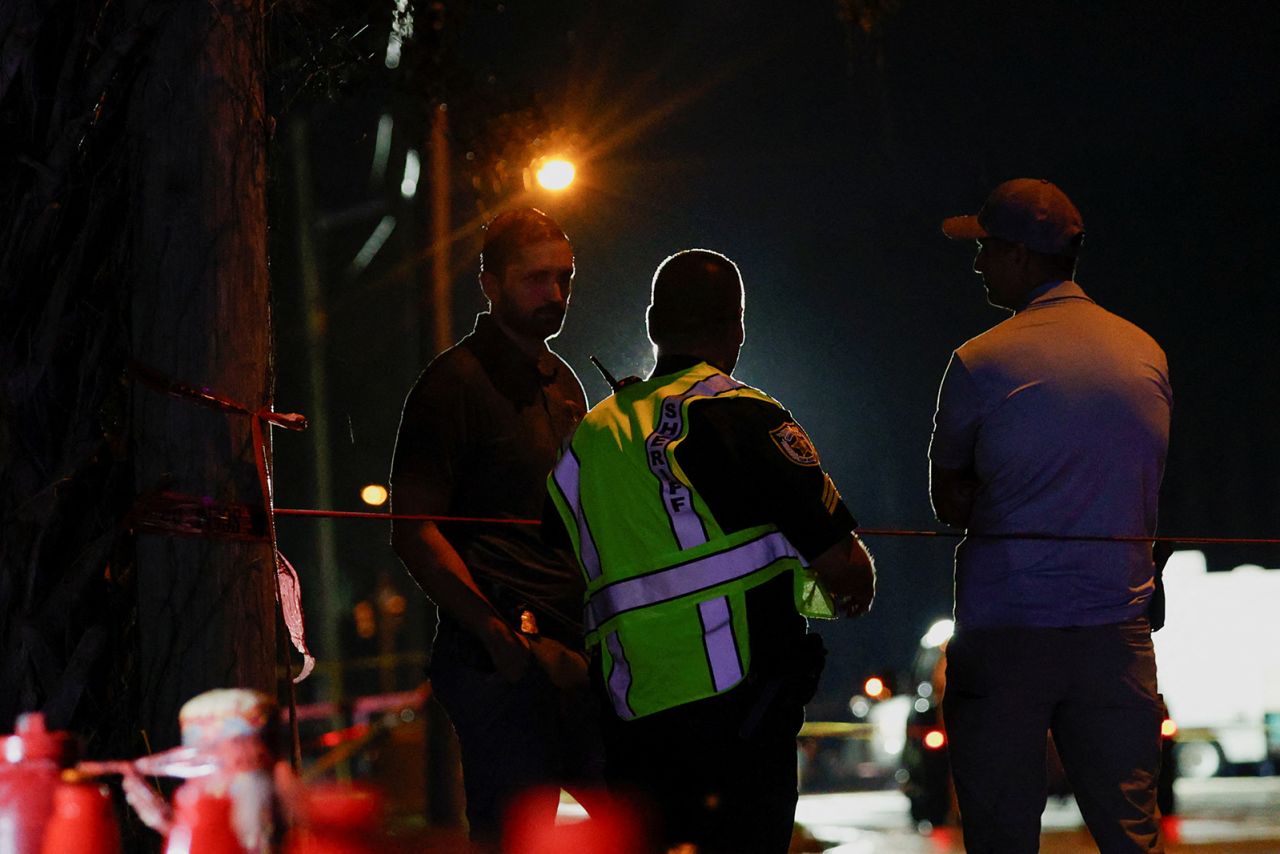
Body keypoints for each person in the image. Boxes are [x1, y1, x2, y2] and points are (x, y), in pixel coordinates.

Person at [546, 249, 877, 853]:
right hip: (740, 718)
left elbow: (563, 564)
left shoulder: (587, 439)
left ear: (652, 326)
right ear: (738, 328)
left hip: (629, 718)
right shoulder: (745, 415)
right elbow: (844, 566)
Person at [930, 179, 1172, 853]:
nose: (976, 262)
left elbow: (947, 499)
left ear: (1019, 255)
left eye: (983, 247)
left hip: (1006, 633)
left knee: (1001, 835)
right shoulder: (1145, 354)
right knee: (1132, 836)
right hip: (1116, 637)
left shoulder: (980, 362)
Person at [390, 208, 603, 848]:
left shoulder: (564, 383)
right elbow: (412, 527)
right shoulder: (451, 384)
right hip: (498, 662)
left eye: (565, 278)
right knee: (516, 835)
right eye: (536, 279)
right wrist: (494, 634)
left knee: (634, 815)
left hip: (575, 649)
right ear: (489, 282)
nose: (556, 295)